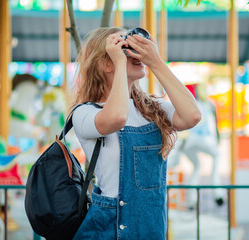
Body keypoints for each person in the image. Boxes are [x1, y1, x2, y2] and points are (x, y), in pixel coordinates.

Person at [71, 27, 201, 239]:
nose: (133, 52)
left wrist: (155, 61)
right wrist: (120, 62)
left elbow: (192, 116)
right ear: (105, 64)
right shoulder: (85, 113)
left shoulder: (152, 109)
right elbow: (117, 118)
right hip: (107, 228)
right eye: (125, 48)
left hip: (150, 225)